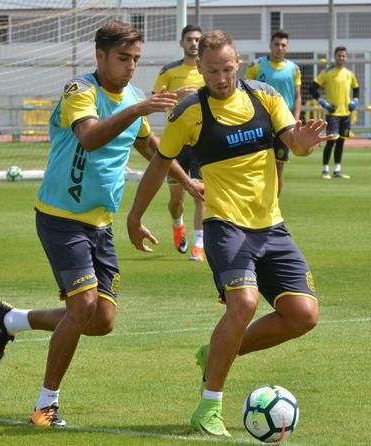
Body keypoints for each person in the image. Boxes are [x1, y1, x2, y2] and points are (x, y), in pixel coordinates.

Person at [0, 20, 201, 428]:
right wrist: (138, 108)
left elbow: (153, 149)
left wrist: (188, 184)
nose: (130, 67)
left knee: (100, 321)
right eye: (123, 58)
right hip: (60, 219)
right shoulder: (79, 90)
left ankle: (11, 320)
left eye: (136, 59)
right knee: (82, 307)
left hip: (100, 225)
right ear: (100, 56)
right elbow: (89, 137)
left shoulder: (134, 98)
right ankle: (46, 404)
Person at [126, 30, 332, 437]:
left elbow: (294, 141)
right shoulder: (189, 112)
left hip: (271, 226)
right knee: (244, 305)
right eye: (212, 70)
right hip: (225, 225)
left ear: (238, 63)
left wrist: (305, 144)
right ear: (199, 68)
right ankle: (208, 407)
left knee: (304, 315)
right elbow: (158, 163)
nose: (221, 77)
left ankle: (217, 351)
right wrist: (134, 216)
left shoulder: (264, 97)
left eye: (227, 68)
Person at [152, 24, 207, 261]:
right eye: (189, 39)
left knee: (200, 195)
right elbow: (154, 101)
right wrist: (177, 96)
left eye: (197, 39)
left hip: (203, 143)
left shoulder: (208, 69)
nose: (193, 43)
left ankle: (199, 244)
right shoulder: (169, 71)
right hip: (175, 144)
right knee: (176, 201)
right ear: (181, 42)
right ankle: (178, 224)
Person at [244, 29, 301, 195]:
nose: (280, 48)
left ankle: (274, 207)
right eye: (277, 44)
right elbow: (246, 92)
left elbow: (298, 96)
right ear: (270, 45)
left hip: (283, 124)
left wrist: (296, 119)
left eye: (283, 45)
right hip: (260, 121)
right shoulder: (256, 65)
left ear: (287, 47)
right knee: (255, 165)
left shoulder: (294, 68)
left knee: (278, 167)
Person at [310, 45, 359, 179]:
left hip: (346, 114)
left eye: (344, 56)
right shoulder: (327, 73)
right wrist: (323, 102)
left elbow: (356, 88)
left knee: (341, 142)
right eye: (339, 55)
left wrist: (355, 100)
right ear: (335, 56)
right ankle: (325, 169)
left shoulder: (350, 74)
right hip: (333, 115)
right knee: (330, 142)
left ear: (346, 58)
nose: (341, 58)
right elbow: (312, 88)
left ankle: (337, 169)